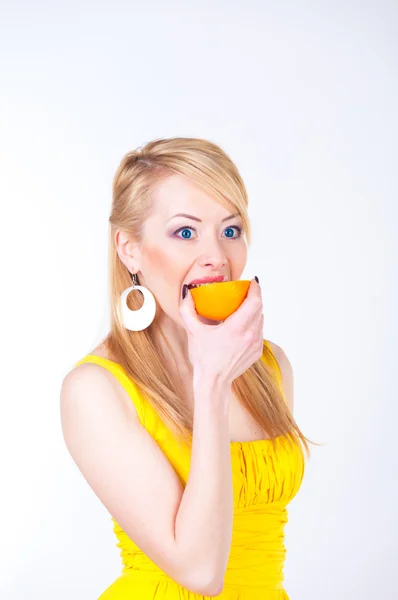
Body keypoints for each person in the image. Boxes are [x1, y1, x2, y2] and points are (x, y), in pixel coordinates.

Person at [60, 137, 312, 599]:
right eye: (185, 232)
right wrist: (211, 381)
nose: (217, 256)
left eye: (230, 230)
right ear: (129, 249)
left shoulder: (271, 366)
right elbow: (199, 572)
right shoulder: (95, 390)